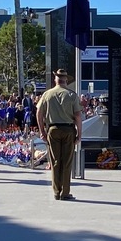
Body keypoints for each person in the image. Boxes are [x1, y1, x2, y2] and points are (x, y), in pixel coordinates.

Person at [36, 68, 84, 200]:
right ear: (66, 80)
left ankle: (56, 191)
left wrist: (42, 131)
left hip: (52, 129)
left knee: (55, 161)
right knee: (67, 162)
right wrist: (79, 135)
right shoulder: (71, 95)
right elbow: (78, 116)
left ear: (55, 79)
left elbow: (38, 113)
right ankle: (65, 192)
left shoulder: (47, 94)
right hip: (68, 130)